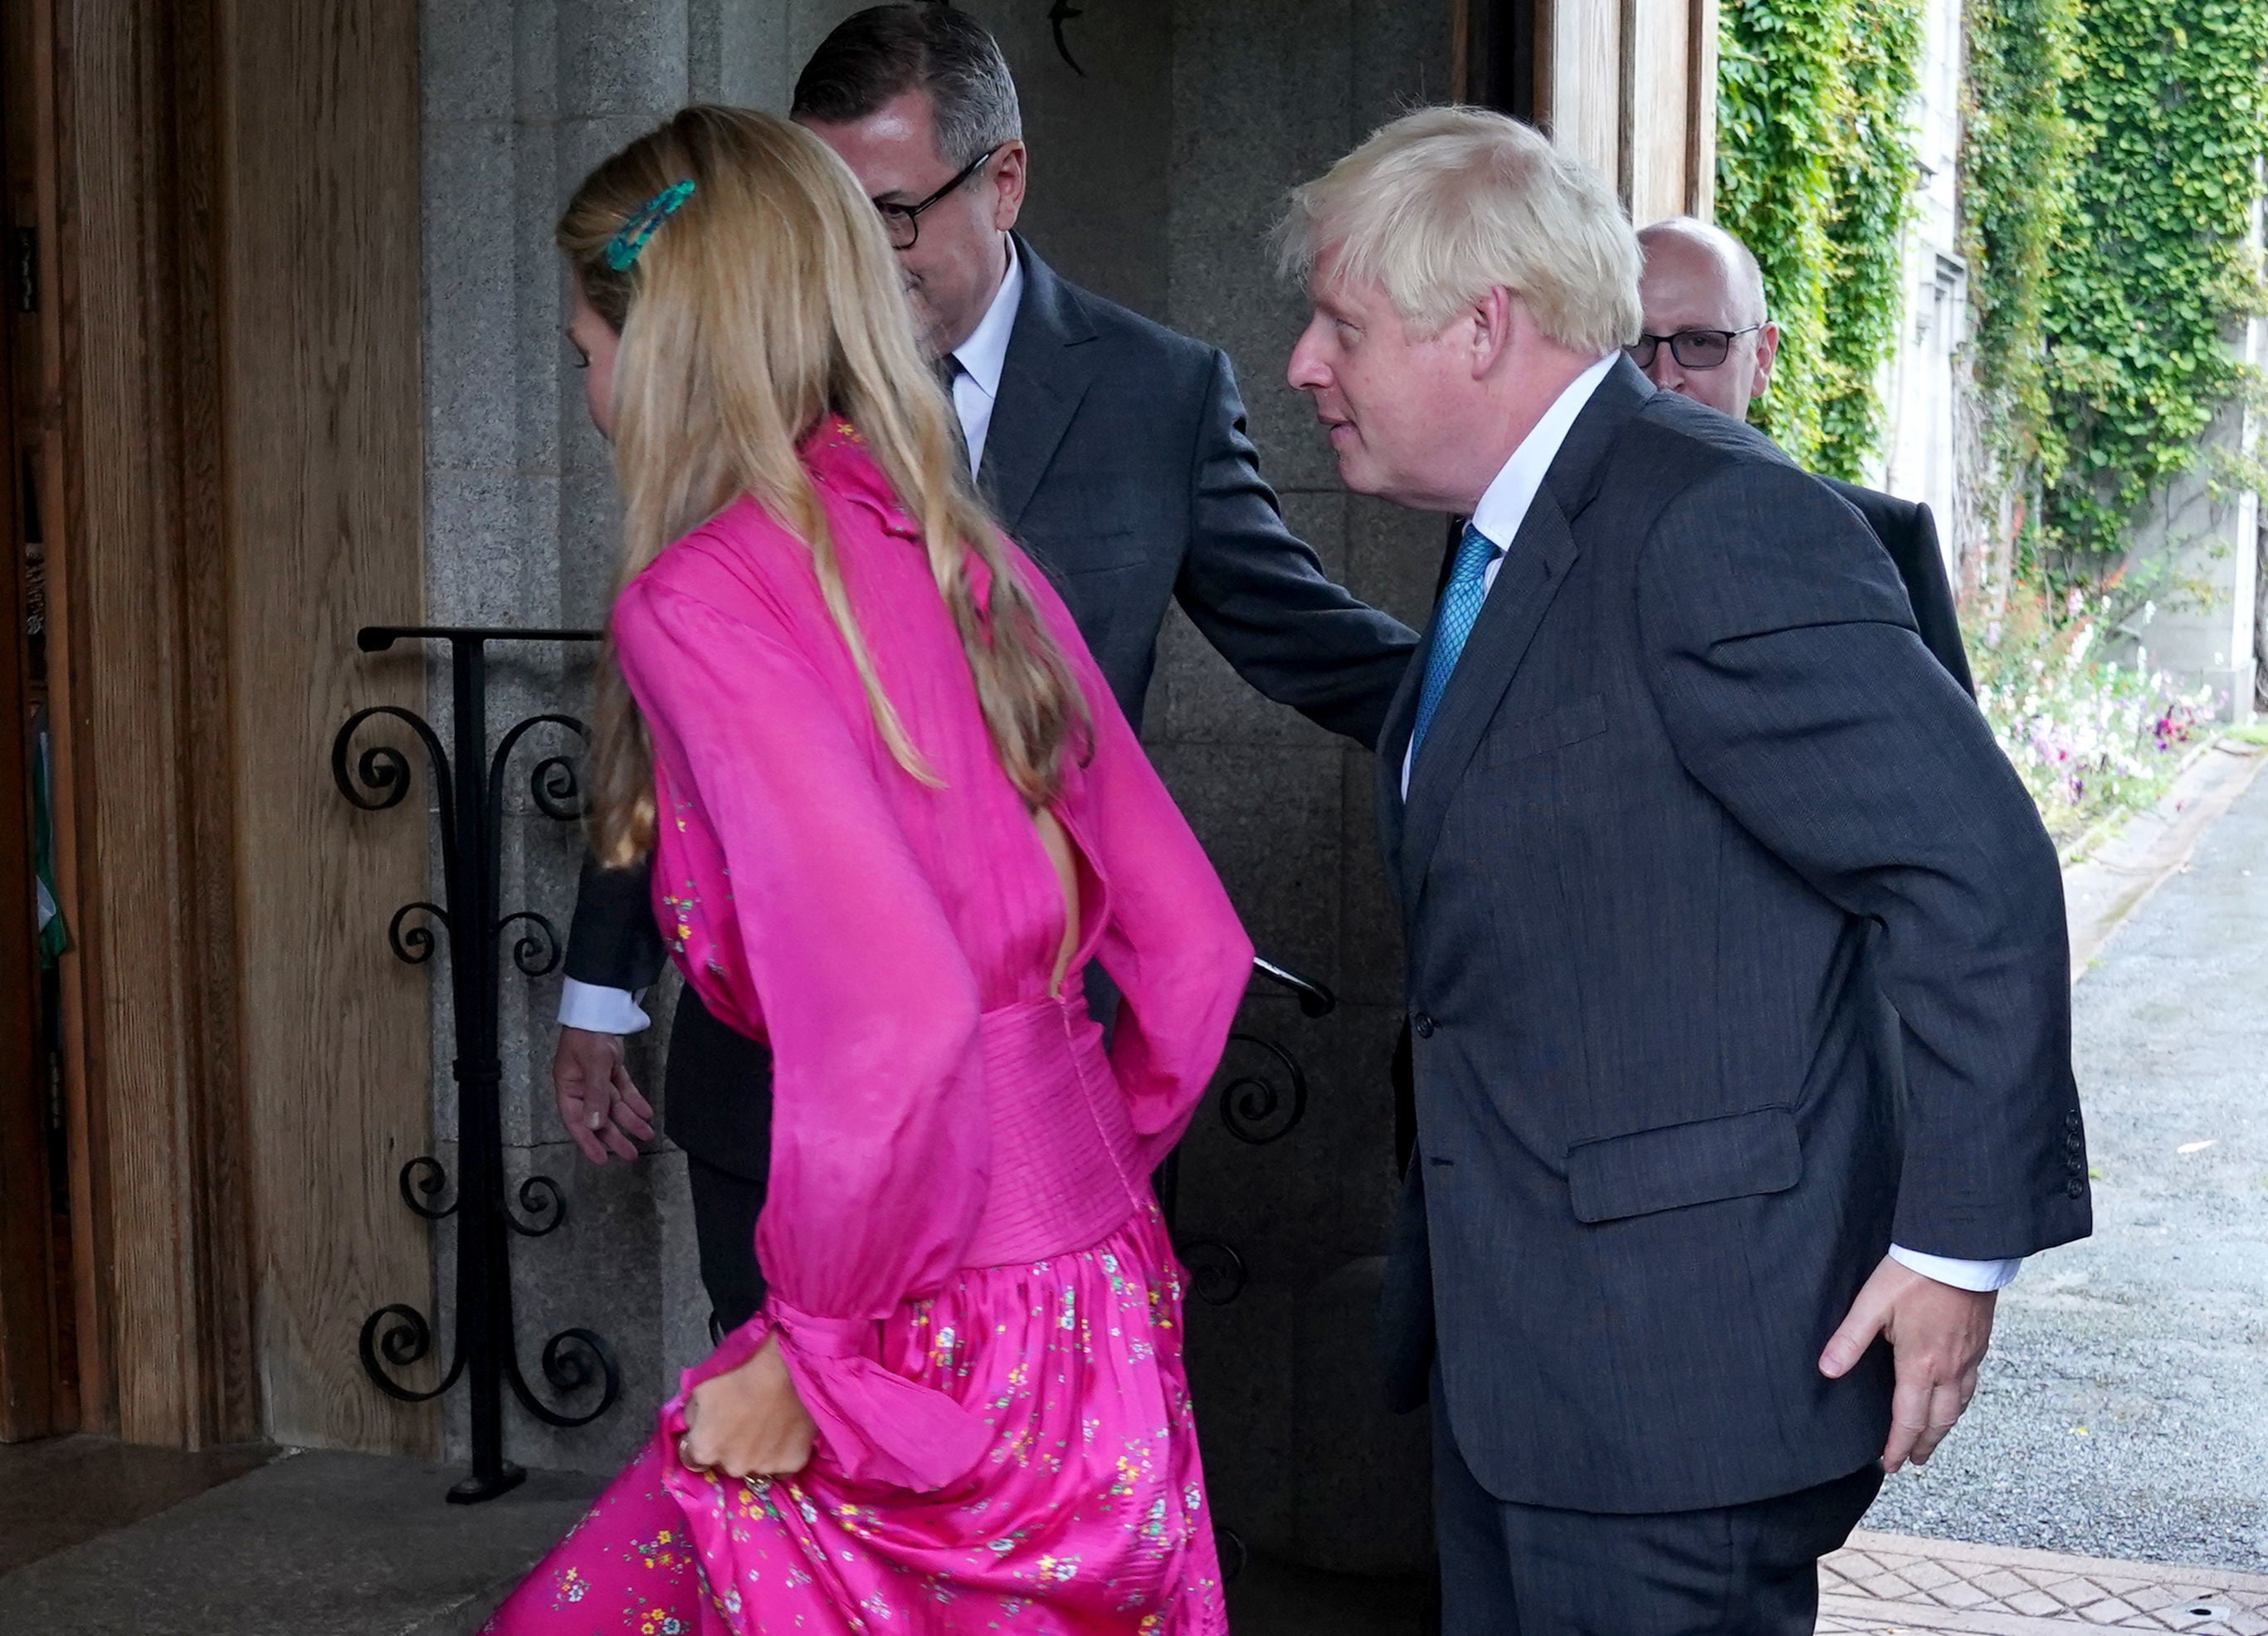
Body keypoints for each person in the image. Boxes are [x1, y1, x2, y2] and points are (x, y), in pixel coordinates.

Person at [1281, 108, 2089, 1634]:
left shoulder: (1713, 520)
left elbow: (1973, 870)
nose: (1302, 365)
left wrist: (1950, 1250)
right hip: (1525, 1361)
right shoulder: (1504, 532)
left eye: (1338, 324)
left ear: (1479, 329)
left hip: (1674, 1385)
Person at [486, 105, 1251, 1634]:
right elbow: (1191, 949)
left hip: (907, 1334)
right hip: (1093, 1282)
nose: (587, 398)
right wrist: (1052, 1180)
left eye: (585, 352)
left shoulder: (696, 599)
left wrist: (814, 1343)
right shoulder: (959, 543)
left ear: (666, 342)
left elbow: (891, 1011)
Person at [551, 4, 1418, 1336]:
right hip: (792, 1109)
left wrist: (1521, 690)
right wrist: (603, 984)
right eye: (822, 211)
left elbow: (1305, 637)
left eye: (889, 211)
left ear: (1001, 177)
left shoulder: (1157, 389)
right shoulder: (779, 409)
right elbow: (673, 759)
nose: (851, 254)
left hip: (1045, 1087)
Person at [1632, 216, 1975, 694]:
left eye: (1700, 342)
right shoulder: (1528, 536)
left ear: (1762, 359)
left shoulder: (1884, 540)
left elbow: (1946, 763)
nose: (1664, 375)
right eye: (1636, 343)